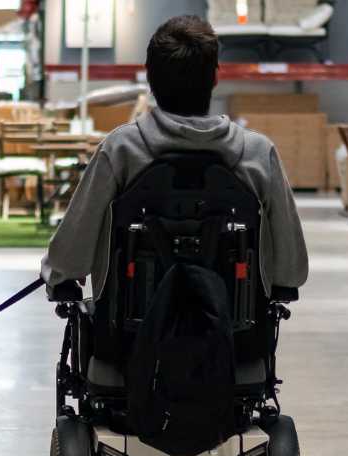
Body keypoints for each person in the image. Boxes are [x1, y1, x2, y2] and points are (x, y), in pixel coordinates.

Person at [41, 15, 308, 298]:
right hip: (234, 336)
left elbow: (68, 259)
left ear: (150, 78)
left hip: (128, 336)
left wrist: (57, 275)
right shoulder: (258, 153)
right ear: (215, 77)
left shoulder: (120, 150)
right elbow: (291, 270)